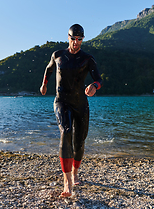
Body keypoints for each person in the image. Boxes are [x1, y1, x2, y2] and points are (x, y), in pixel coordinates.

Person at [40, 24, 103, 197]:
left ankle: (75, 174)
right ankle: (67, 183)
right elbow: (48, 68)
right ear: (68, 37)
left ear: (83, 39)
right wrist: (44, 84)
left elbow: (99, 79)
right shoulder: (58, 55)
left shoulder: (87, 58)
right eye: (73, 39)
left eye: (79, 39)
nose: (76, 42)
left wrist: (94, 86)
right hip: (62, 101)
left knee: (79, 141)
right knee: (65, 132)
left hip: (80, 103)